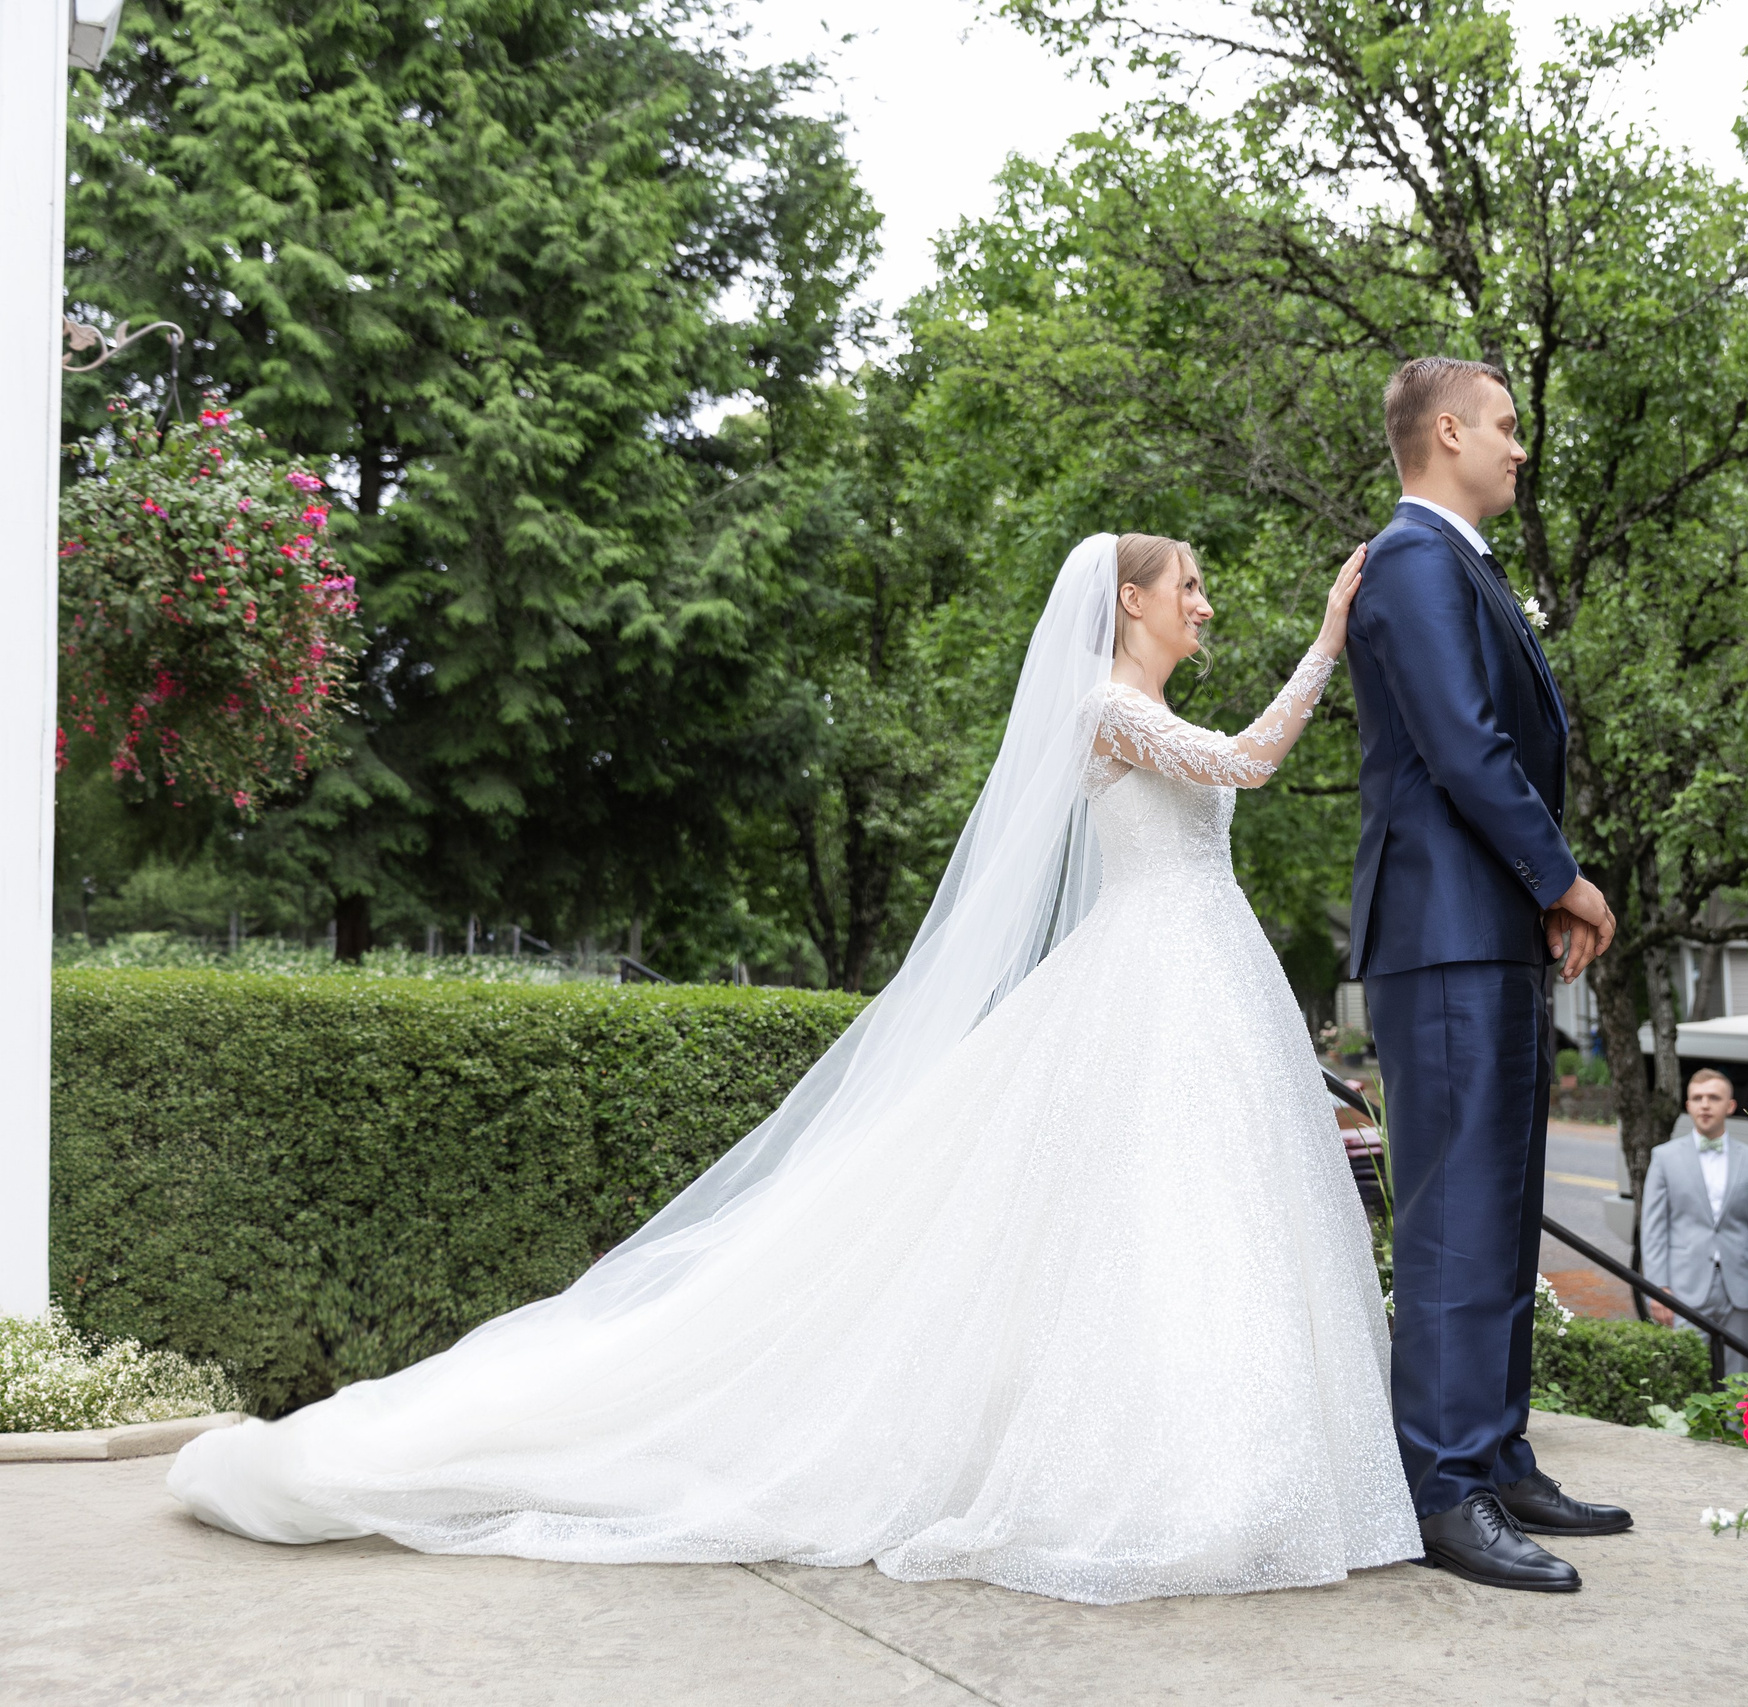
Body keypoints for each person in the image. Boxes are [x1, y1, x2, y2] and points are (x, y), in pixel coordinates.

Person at [167, 532, 1425, 1606]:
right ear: (1131, 600)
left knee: (1182, 1221)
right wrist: (1328, 640)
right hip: (1150, 976)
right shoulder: (1107, 709)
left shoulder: (1146, 712)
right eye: (1187, 584)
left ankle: (1217, 1452)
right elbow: (1249, 762)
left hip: (1196, 973)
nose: (1204, 602)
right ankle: (1174, 1475)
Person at [1346, 356, 1625, 1595]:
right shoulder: (1413, 559)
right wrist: (1562, 878)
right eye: (1506, 425)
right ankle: (1442, 1488)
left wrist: (1536, 897)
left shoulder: (1459, 563)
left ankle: (1497, 1456)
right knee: (1457, 1218)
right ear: (1447, 431)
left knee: (1502, 1211)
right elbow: (1464, 746)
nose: (1521, 446)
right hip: (1442, 930)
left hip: (1484, 929)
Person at [1639, 1069, 1748, 1360]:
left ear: (1730, 1105)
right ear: (1688, 1105)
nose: (1705, 1105)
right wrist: (1657, 1288)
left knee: (1739, 1375)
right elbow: (1653, 1229)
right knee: (1685, 1371)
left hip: (1741, 1288)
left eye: (1714, 1098)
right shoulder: (1664, 1157)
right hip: (1683, 1285)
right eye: (1697, 1098)